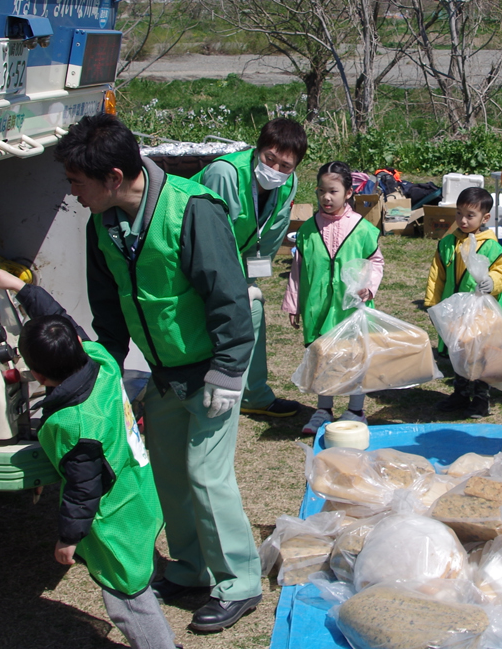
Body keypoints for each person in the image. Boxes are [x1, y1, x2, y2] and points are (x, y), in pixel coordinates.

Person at [58, 114, 260, 634]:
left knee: (206, 475)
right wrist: (107, 372)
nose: (72, 192)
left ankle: (239, 581)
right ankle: (191, 567)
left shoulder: (190, 211)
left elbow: (229, 296)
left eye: (78, 182)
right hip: (164, 373)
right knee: (168, 470)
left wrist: (229, 372)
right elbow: (108, 307)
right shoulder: (100, 224)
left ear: (114, 178)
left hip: (213, 369)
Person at [0, 272, 176, 649]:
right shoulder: (101, 360)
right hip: (139, 490)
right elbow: (62, 319)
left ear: (37, 375)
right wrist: (20, 287)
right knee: (140, 564)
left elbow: (83, 489)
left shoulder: (76, 425)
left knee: (127, 598)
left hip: (114, 518)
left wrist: (68, 538)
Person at [198, 118, 310, 420]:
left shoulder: (289, 184)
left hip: (235, 267)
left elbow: (271, 237)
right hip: (194, 262)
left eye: (285, 166)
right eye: (268, 159)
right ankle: (216, 386)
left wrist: (250, 282)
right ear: (256, 150)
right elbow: (209, 237)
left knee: (254, 308)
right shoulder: (225, 174)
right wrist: (233, 288)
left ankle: (253, 394)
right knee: (232, 313)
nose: (275, 170)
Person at [285, 161, 384, 436]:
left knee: (354, 356)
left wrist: (369, 287)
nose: (326, 198)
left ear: (348, 193)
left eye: (333, 191)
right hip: (318, 306)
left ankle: (355, 408)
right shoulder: (307, 230)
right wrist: (294, 302)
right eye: (321, 192)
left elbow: (376, 262)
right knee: (323, 355)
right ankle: (323, 408)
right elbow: (297, 271)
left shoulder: (362, 229)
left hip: (351, 306)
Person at [427, 185, 502, 418]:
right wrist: (432, 302)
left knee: (481, 353)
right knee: (460, 352)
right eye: (459, 213)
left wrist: (492, 282)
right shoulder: (447, 244)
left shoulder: (492, 247)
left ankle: (481, 398)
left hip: (482, 314)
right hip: (455, 310)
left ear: (485, 218)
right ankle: (461, 393)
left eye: (469, 215)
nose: (462, 220)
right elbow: (437, 275)